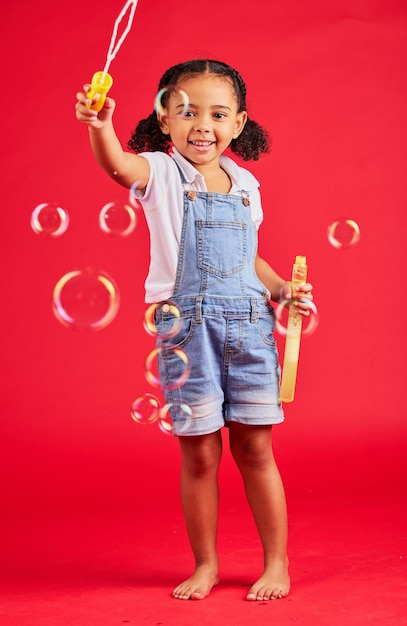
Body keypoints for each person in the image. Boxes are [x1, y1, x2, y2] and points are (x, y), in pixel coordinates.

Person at [75, 59, 313, 602]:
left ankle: (276, 563)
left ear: (238, 123)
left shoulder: (247, 183)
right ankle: (206, 563)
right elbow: (116, 165)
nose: (201, 124)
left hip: (250, 328)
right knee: (200, 453)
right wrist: (99, 125)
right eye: (186, 111)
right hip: (188, 332)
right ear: (164, 119)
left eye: (217, 113)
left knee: (255, 450)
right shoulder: (159, 172)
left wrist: (281, 290)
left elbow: (250, 259)